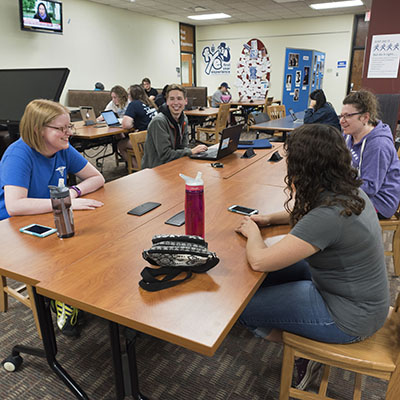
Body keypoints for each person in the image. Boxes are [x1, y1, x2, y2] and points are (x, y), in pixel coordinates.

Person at [236, 124, 389, 391]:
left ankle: (308, 351)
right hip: (362, 301)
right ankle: (305, 334)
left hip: (348, 319)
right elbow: (309, 216)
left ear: (305, 167)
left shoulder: (329, 216)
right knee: (265, 280)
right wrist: (270, 219)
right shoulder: (349, 192)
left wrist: (252, 232)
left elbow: (259, 260)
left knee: (242, 309)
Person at [0, 99, 105, 336]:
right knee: (68, 251)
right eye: (62, 128)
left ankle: (74, 291)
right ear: (39, 130)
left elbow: (97, 178)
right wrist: (64, 202)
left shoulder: (63, 148)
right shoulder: (19, 154)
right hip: (12, 227)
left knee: (94, 239)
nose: (69, 133)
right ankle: (61, 295)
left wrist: (73, 192)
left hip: (48, 212)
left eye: (70, 126)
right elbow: (15, 205)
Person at [341, 90, 400, 218]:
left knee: (328, 211)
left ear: (365, 117)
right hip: (354, 191)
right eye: (341, 116)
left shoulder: (378, 145)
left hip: (379, 202)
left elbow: (370, 188)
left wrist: (337, 187)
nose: (342, 121)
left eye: (347, 116)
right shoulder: (348, 135)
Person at [141, 84, 208, 169]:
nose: (176, 103)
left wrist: (189, 152)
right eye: (172, 99)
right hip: (157, 169)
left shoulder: (183, 118)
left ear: (185, 101)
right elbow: (165, 155)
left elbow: (184, 147)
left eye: (179, 98)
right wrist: (191, 151)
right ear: (167, 102)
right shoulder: (159, 122)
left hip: (174, 163)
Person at [118, 84, 157, 166]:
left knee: (121, 145)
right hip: (157, 137)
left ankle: (138, 167)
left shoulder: (134, 104)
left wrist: (134, 124)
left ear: (132, 95)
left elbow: (125, 125)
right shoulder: (150, 102)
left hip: (145, 140)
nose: (128, 97)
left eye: (129, 94)